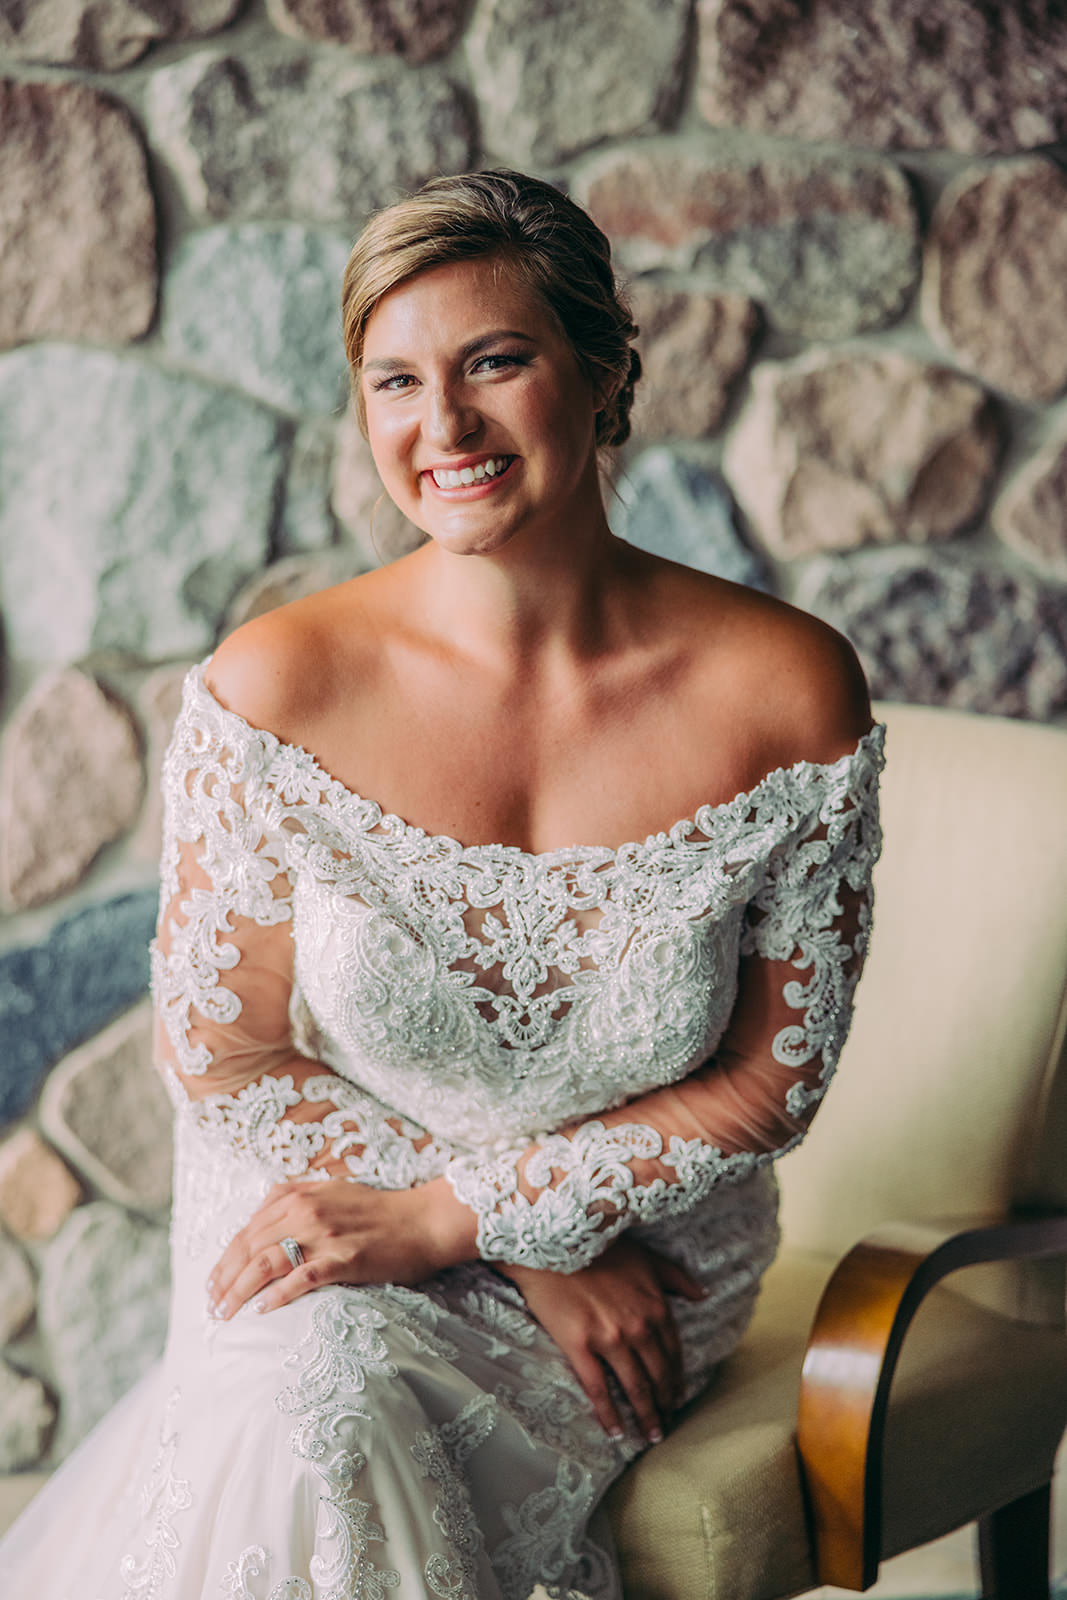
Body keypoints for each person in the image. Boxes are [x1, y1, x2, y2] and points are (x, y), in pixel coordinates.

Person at [0, 168, 884, 1599]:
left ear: (605, 374)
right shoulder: (277, 684)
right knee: (312, 1397)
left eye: (496, 362)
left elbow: (769, 1077)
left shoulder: (782, 688)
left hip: (642, 1268)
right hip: (325, 1206)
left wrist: (492, 1223)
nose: (444, 427)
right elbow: (225, 1055)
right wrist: (501, 1231)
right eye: (394, 380)